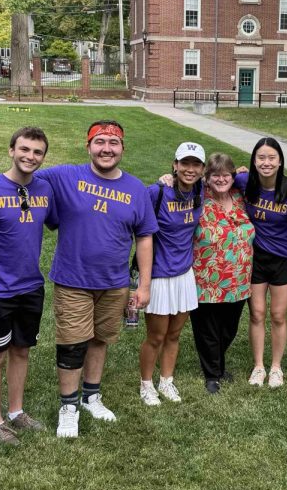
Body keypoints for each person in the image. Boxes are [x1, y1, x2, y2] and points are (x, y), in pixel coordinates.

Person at [44, 120, 158, 438]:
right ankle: (68, 407)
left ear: (122, 148)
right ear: (88, 146)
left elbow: (145, 237)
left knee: (99, 339)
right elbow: (21, 179)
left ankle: (91, 396)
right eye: (100, 142)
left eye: (113, 142)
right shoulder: (65, 176)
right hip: (73, 279)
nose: (106, 148)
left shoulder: (136, 189)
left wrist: (144, 285)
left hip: (115, 282)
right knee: (72, 343)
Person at [0, 126, 56, 444]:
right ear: (11, 151)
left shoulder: (45, 190)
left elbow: (57, 221)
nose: (30, 157)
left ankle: (15, 412)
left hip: (30, 286)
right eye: (24, 149)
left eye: (37, 152)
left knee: (21, 351)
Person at [139, 142, 205, 406]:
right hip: (158, 275)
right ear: (175, 165)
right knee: (156, 336)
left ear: (202, 169)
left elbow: (235, 176)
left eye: (196, 164)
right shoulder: (157, 192)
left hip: (184, 274)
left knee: (175, 334)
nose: (190, 169)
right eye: (184, 163)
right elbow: (138, 228)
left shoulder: (200, 190)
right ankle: (146, 384)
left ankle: (166, 380)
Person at [235, 138, 287, 388]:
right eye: (261, 158)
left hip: (284, 258)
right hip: (255, 257)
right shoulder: (244, 182)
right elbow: (214, 178)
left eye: (271, 158)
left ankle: (276, 367)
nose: (266, 163)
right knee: (257, 313)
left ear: (280, 161)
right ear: (253, 160)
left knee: (278, 315)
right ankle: (258, 366)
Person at [189, 153, 255, 394]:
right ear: (206, 178)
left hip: (238, 278)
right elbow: (177, 186)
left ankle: (217, 364)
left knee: (229, 328)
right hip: (206, 278)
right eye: (215, 175)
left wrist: (245, 173)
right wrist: (165, 178)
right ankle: (212, 374)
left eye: (226, 174)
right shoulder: (198, 197)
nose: (221, 179)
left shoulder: (240, 197)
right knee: (207, 329)